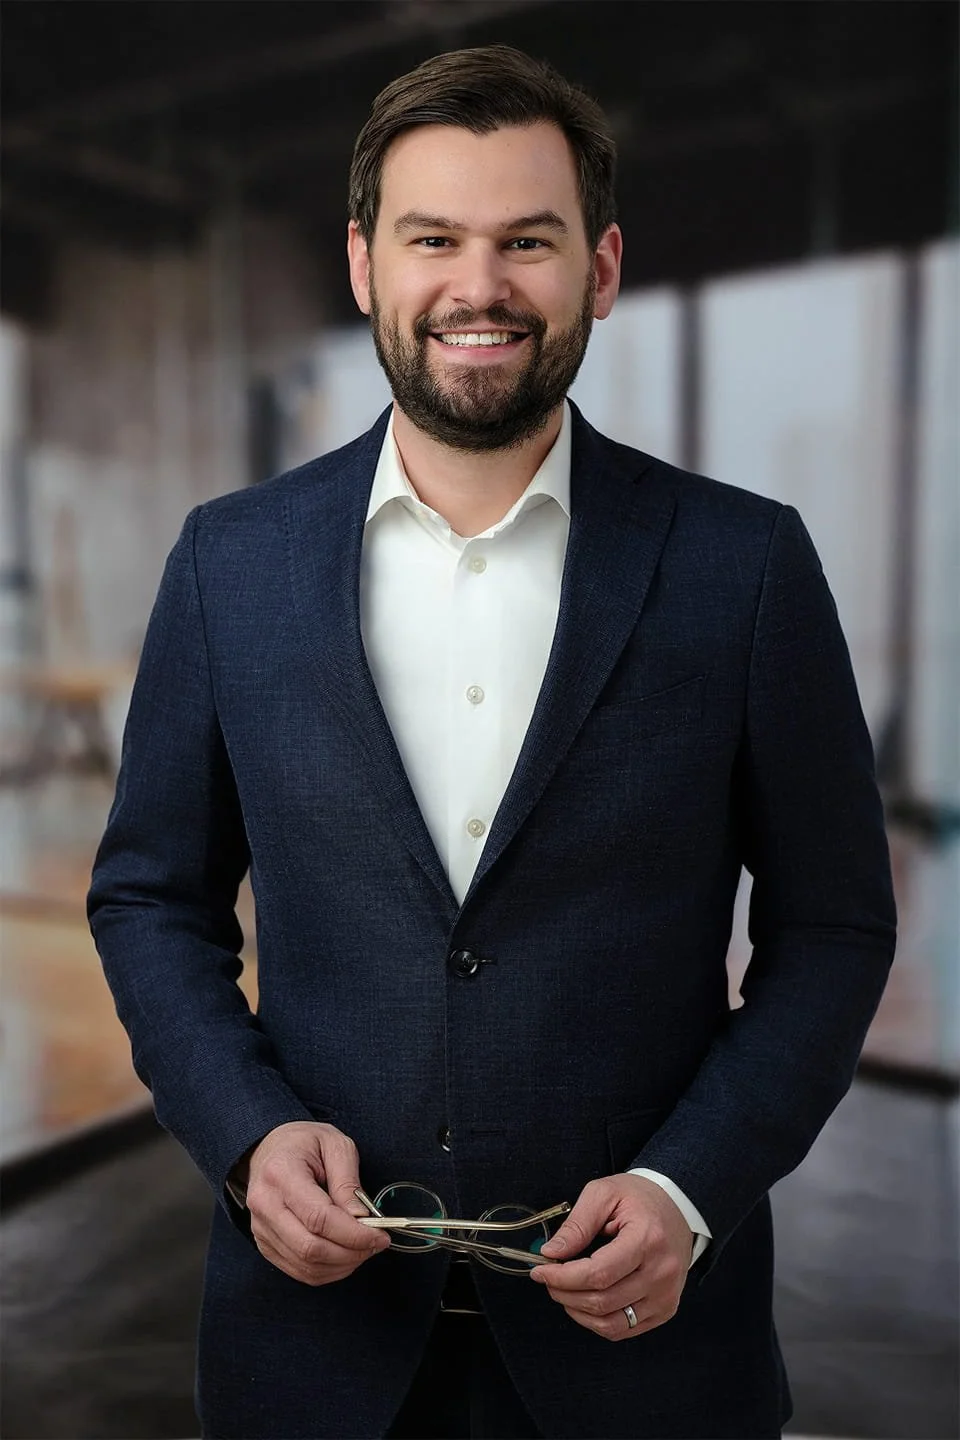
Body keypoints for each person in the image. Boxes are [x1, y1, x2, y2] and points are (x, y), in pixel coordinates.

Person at [88, 43, 896, 1440]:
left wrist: (693, 1184)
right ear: (363, 265)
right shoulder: (229, 564)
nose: (480, 286)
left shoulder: (746, 565)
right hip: (312, 1358)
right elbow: (151, 899)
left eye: (528, 239)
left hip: (648, 1362)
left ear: (602, 267)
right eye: (433, 240)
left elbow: (831, 927)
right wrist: (246, 1131)